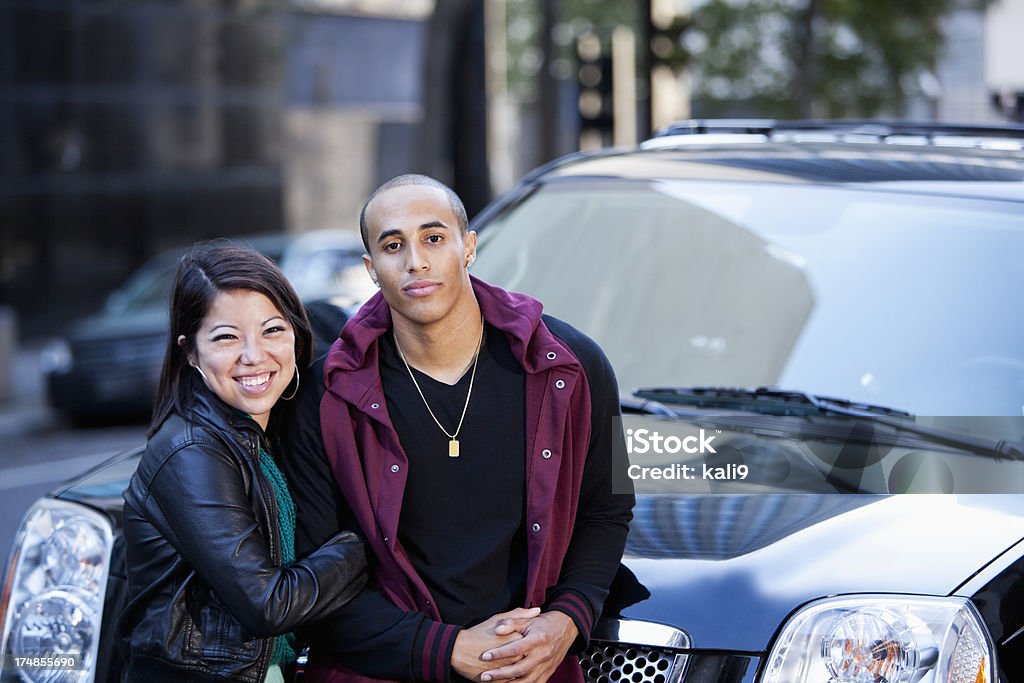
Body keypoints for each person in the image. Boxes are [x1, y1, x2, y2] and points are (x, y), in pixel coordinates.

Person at [283, 175, 635, 683]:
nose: (415, 262)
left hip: (531, 669)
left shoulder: (576, 364)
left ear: (468, 247)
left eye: (433, 237)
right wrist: (445, 648)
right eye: (392, 245)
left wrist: (567, 619)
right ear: (371, 268)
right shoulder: (324, 396)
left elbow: (610, 507)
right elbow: (315, 578)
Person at [119, 245, 367, 683]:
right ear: (190, 352)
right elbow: (268, 605)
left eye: (272, 330)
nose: (254, 355)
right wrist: (371, 541)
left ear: (296, 333)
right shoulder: (191, 451)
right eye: (226, 337)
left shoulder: (269, 429)